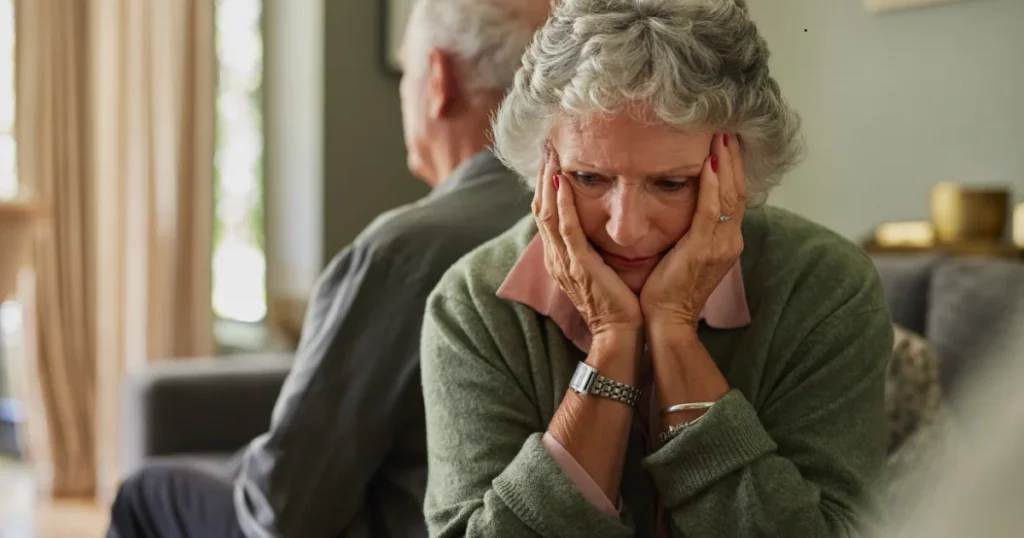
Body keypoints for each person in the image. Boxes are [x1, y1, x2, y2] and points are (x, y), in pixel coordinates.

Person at [419, 0, 894, 536]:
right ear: (543, 160)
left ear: (740, 167)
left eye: (671, 183)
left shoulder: (825, 286)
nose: (626, 228)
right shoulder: (473, 303)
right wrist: (613, 340)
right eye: (589, 178)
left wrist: (674, 334)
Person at [107, 0, 550, 536]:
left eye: (406, 73)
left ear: (438, 79)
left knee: (146, 493)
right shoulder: (588, 224)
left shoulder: (402, 254)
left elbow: (284, 507)